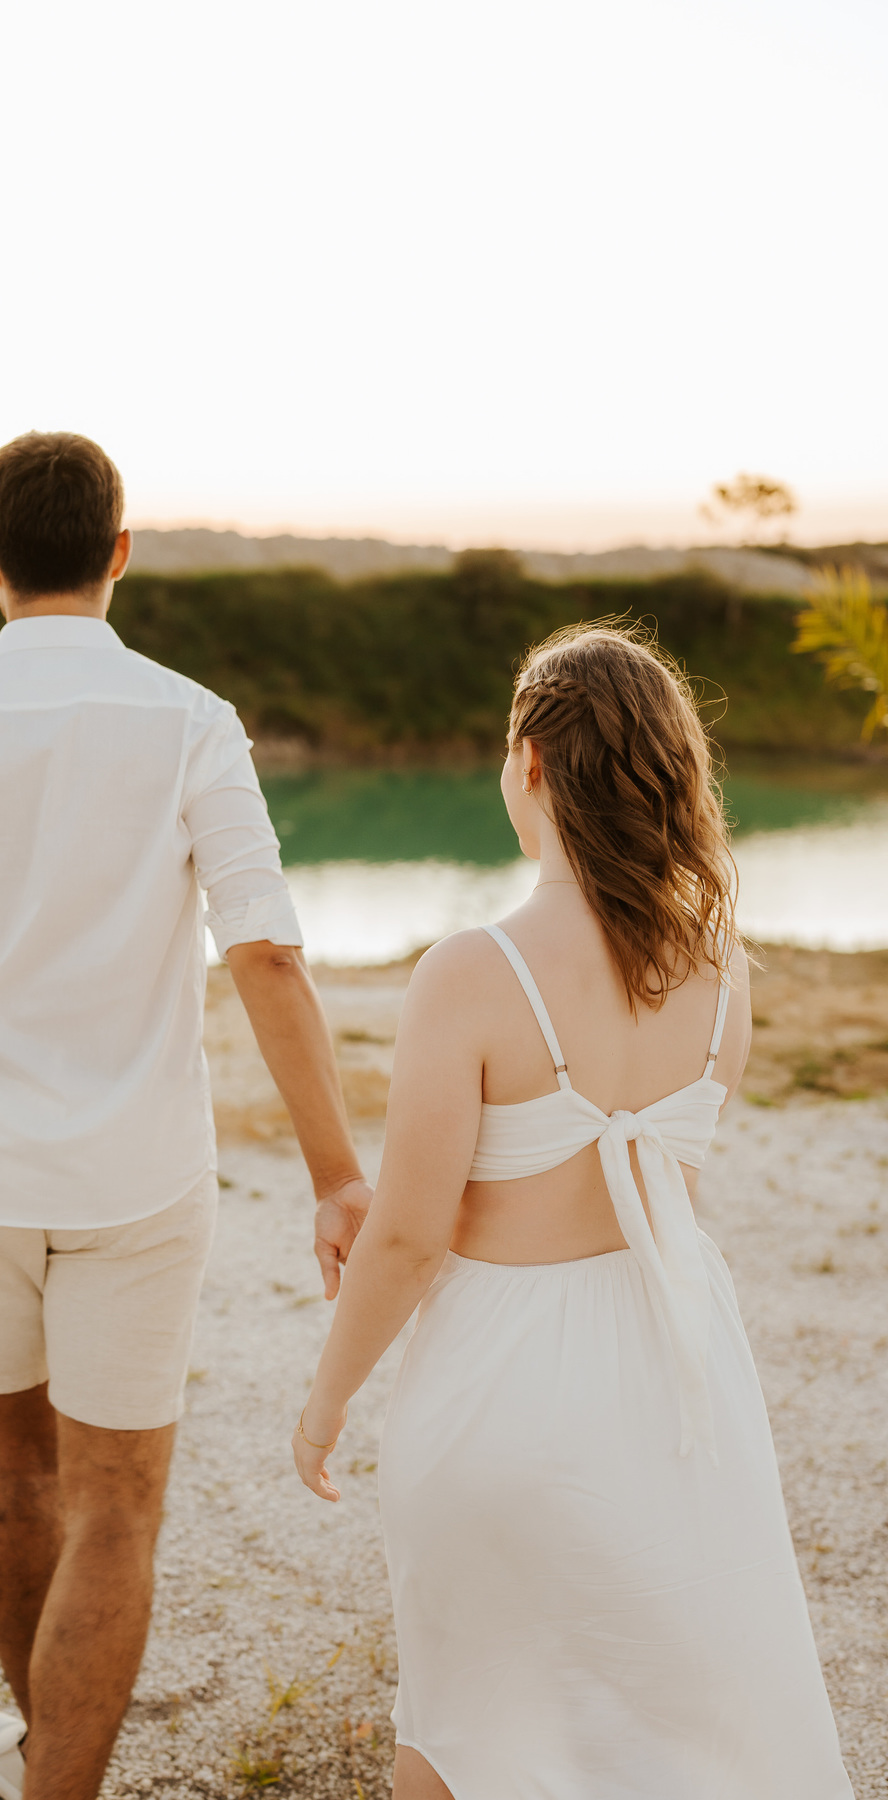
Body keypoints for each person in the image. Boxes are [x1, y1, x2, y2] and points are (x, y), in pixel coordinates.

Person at [0, 431, 372, 1800]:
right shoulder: (190, 718)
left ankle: (43, 1757)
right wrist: (337, 1176)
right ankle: (60, 1771)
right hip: (135, 1174)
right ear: (120, 551)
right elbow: (269, 956)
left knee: (9, 1480)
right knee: (116, 1498)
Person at [292, 624, 853, 1798]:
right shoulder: (722, 966)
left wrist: (328, 1397)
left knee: (466, 1709)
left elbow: (405, 1233)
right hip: (673, 1373)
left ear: (532, 764)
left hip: (504, 1376)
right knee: (660, 1723)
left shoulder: (472, 970)